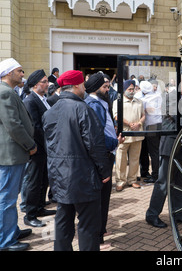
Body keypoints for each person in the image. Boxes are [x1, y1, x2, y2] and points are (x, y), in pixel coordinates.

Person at [42, 70, 112, 251]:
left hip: (60, 175)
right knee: (88, 225)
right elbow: (95, 145)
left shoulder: (50, 112)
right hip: (83, 177)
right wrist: (104, 171)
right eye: (82, 84)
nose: (84, 88)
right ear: (75, 86)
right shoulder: (83, 109)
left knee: (63, 221)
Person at [0, 58, 36, 251]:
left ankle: (11, 230)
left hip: (13, 155)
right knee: (7, 199)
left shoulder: (8, 92)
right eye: (19, 71)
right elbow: (13, 125)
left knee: (9, 197)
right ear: (8, 73)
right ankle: (6, 242)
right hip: (11, 155)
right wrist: (30, 145)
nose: (23, 74)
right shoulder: (4, 93)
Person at [84, 72, 123, 248]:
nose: (108, 89)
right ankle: (98, 235)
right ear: (96, 88)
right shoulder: (93, 104)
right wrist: (115, 141)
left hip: (107, 153)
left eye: (108, 86)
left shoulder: (100, 102)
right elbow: (97, 135)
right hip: (103, 155)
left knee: (104, 197)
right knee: (101, 198)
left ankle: (101, 229)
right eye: (105, 86)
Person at [145, 85, 182, 228]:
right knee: (163, 182)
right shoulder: (170, 97)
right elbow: (176, 115)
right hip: (170, 144)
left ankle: (178, 213)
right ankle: (152, 214)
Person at [23, 70, 56, 229]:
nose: (47, 83)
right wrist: (49, 143)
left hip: (45, 147)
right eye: (44, 81)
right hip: (38, 148)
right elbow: (35, 127)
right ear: (36, 84)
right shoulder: (31, 101)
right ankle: (30, 215)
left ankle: (40, 207)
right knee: (34, 182)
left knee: (44, 179)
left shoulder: (43, 99)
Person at [112, 80, 145, 191]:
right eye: (129, 89)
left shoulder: (139, 102)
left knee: (135, 159)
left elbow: (144, 115)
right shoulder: (118, 102)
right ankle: (120, 181)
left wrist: (139, 123)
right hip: (124, 135)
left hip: (137, 134)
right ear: (124, 90)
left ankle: (132, 180)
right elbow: (116, 116)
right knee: (121, 159)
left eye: (133, 89)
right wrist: (129, 124)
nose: (131, 91)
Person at [140, 80, 162, 183]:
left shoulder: (144, 100)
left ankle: (155, 175)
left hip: (151, 126)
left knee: (154, 153)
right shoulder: (158, 96)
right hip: (160, 125)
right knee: (159, 151)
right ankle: (160, 173)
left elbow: (143, 113)